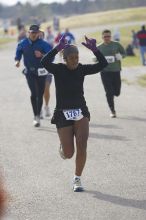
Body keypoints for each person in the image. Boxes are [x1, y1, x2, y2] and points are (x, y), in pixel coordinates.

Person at [41, 35, 108, 192]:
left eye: (77, 57)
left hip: (80, 111)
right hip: (63, 113)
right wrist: (56, 48)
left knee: (82, 143)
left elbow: (103, 64)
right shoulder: (58, 69)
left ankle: (77, 179)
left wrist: (95, 49)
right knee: (69, 153)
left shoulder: (82, 69)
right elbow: (43, 62)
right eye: (71, 58)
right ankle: (64, 147)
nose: (75, 60)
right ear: (64, 58)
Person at [15, 24, 52, 127]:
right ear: (29, 33)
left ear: (38, 33)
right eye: (32, 33)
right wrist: (17, 60)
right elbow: (18, 52)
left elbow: (51, 56)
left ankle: (38, 113)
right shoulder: (23, 43)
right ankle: (36, 116)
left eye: (36, 33)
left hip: (41, 72)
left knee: (40, 94)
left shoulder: (44, 44)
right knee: (33, 93)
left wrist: (42, 55)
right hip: (30, 72)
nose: (34, 35)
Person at [97, 29, 126, 118]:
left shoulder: (116, 44)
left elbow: (124, 54)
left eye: (108, 36)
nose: (107, 38)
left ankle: (113, 93)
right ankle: (112, 110)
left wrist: (118, 57)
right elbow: (95, 57)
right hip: (105, 72)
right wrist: (95, 59)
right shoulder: (99, 47)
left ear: (111, 36)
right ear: (102, 37)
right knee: (109, 92)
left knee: (117, 92)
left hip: (116, 71)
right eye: (105, 36)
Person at [39, 30, 53, 117]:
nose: (39, 37)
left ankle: (46, 106)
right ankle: (39, 109)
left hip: (46, 71)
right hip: (35, 72)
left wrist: (42, 55)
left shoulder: (47, 45)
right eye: (38, 35)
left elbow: (52, 58)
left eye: (41, 36)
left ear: (44, 36)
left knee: (46, 89)